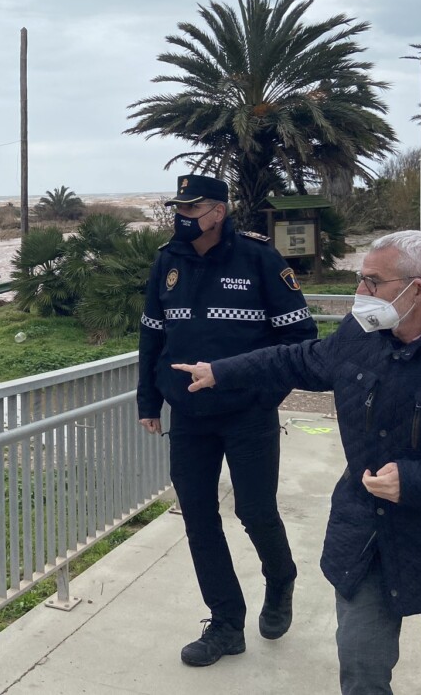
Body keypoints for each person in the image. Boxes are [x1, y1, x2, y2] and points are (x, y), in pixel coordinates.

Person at [174, 230, 421, 694]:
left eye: (372, 281)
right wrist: (221, 371)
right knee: (361, 670)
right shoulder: (359, 337)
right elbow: (298, 359)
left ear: (417, 289)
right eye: (360, 279)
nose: (360, 293)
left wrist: (415, 481)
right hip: (364, 537)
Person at [137, 173, 318, 667]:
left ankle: (280, 579)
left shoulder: (261, 259)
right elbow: (153, 337)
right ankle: (225, 623)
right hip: (189, 417)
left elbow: (299, 342)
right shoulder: (167, 261)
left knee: (255, 511)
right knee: (198, 518)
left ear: (218, 211)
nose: (183, 217)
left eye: (193, 209)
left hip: (248, 415)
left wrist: (262, 394)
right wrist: (149, 403)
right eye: (180, 208)